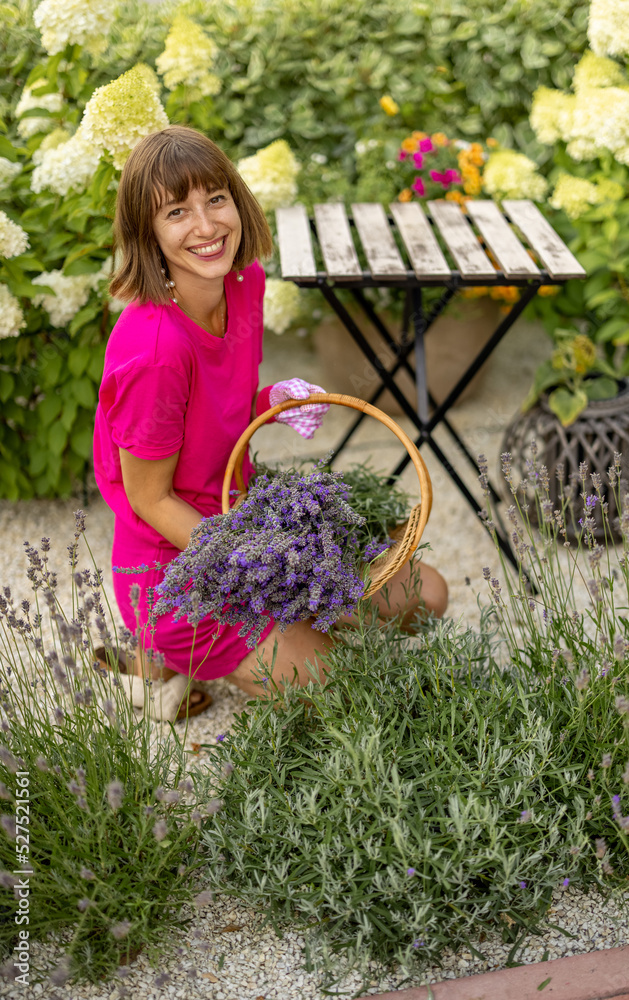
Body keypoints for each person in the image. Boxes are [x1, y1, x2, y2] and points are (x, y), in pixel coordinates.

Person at [93, 125, 448, 720]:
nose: (206, 227)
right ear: (147, 233)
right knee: (349, 694)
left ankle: (186, 661)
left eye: (215, 199)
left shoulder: (244, 282)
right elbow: (150, 499)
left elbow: (219, 406)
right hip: (181, 573)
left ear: (237, 199)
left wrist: (273, 399)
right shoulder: (153, 349)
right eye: (176, 212)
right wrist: (268, 567)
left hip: (246, 520)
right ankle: (164, 655)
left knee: (427, 596)